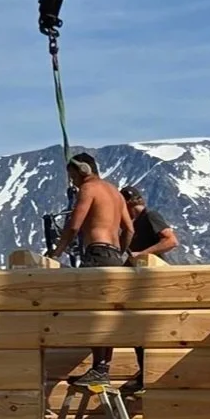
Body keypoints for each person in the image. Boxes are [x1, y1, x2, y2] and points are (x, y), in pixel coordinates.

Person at [53, 152, 133, 387]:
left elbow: (74, 225)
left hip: (97, 255)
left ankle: (99, 370)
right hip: (114, 258)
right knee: (108, 315)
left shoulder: (89, 190)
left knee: (95, 315)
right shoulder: (116, 193)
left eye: (73, 176)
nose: (73, 182)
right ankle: (102, 368)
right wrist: (121, 254)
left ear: (83, 170)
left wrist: (57, 252)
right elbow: (129, 230)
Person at [118, 186, 179, 394]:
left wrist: (142, 254)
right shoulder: (133, 226)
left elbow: (170, 240)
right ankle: (144, 373)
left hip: (154, 282)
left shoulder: (149, 217)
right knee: (139, 331)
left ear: (127, 203)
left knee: (147, 330)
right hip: (141, 284)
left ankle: (148, 374)